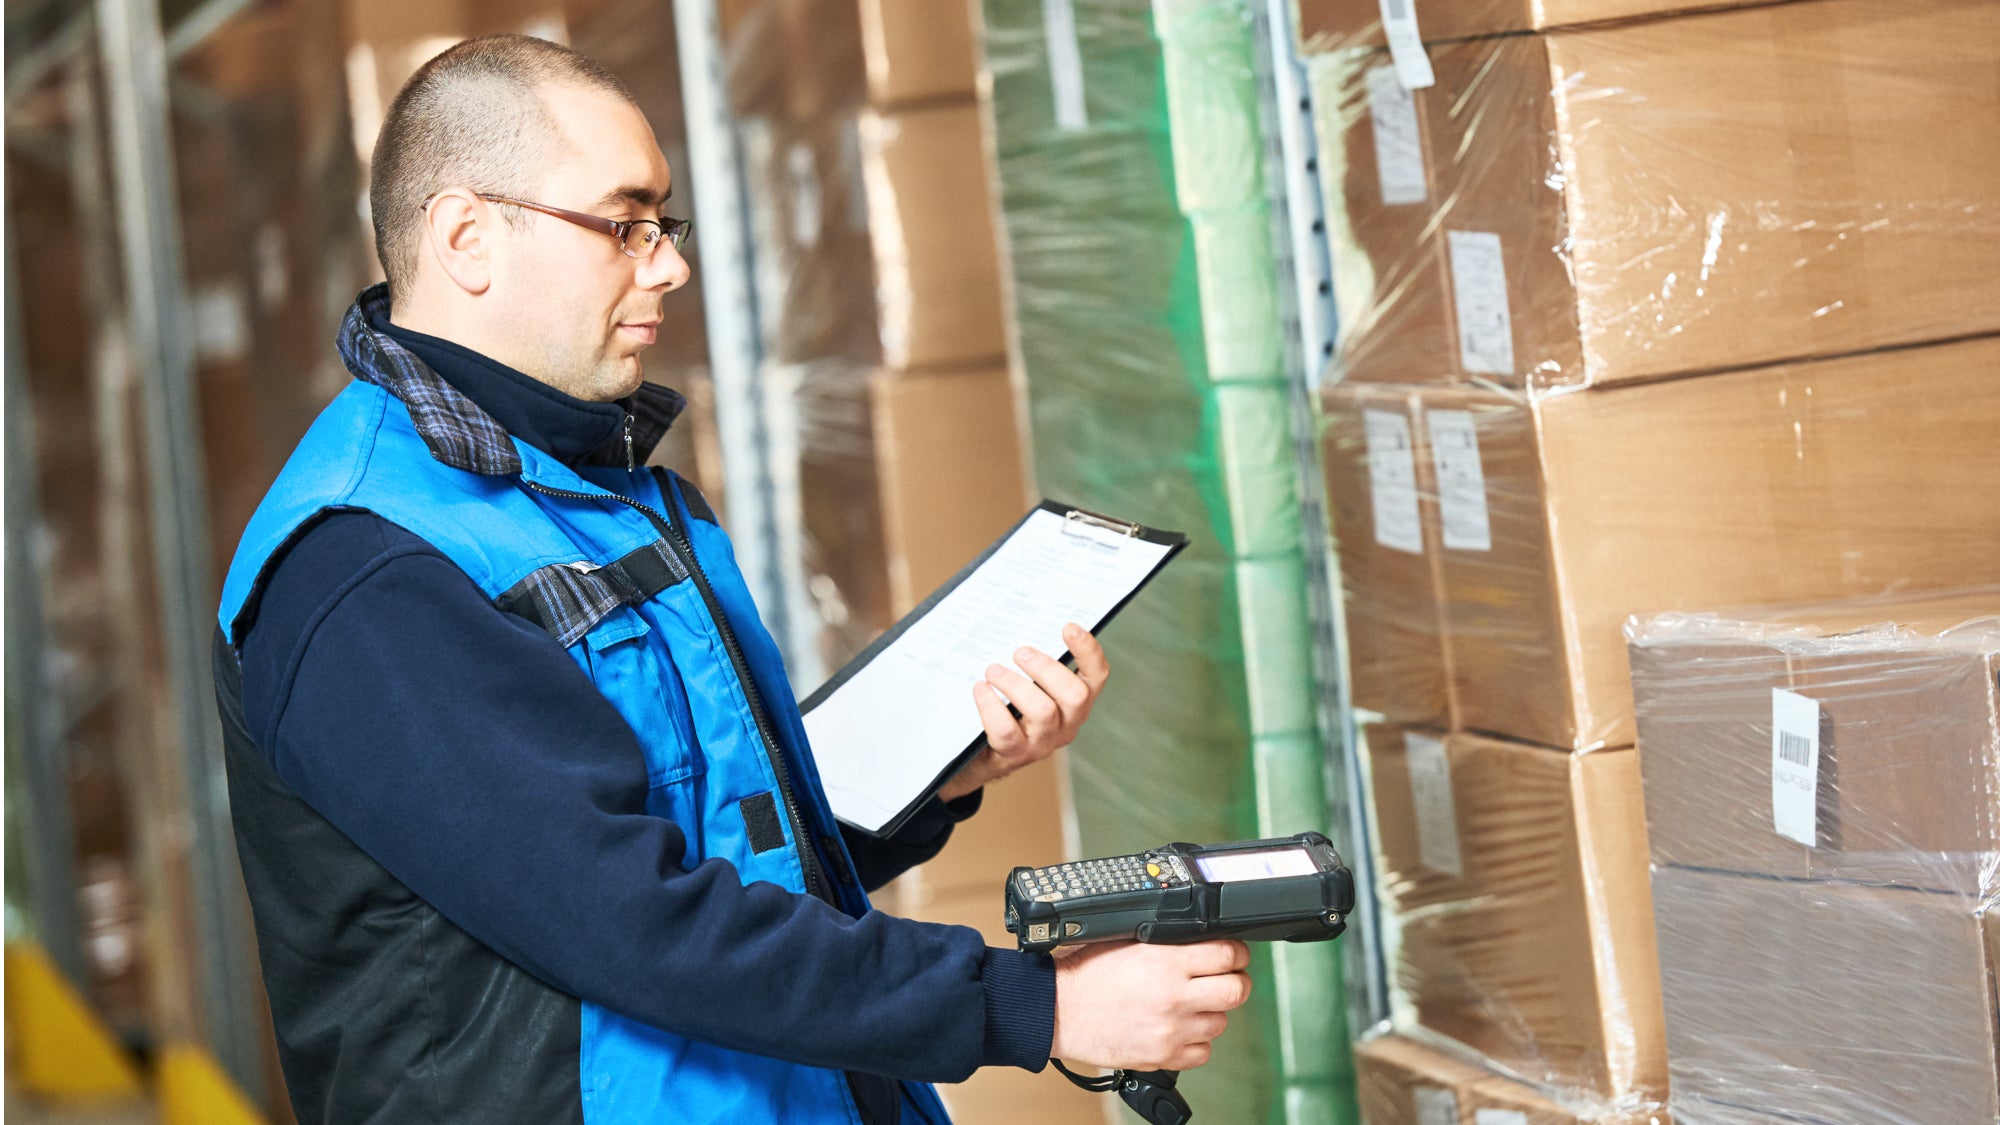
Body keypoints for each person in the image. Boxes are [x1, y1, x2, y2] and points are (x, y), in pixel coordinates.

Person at [212, 34, 1252, 1125]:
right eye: (625, 226)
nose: (667, 267)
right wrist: (1037, 1008)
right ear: (468, 237)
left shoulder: (604, 496)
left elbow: (712, 833)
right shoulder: (369, 570)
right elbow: (627, 919)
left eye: (665, 229)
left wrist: (937, 773)